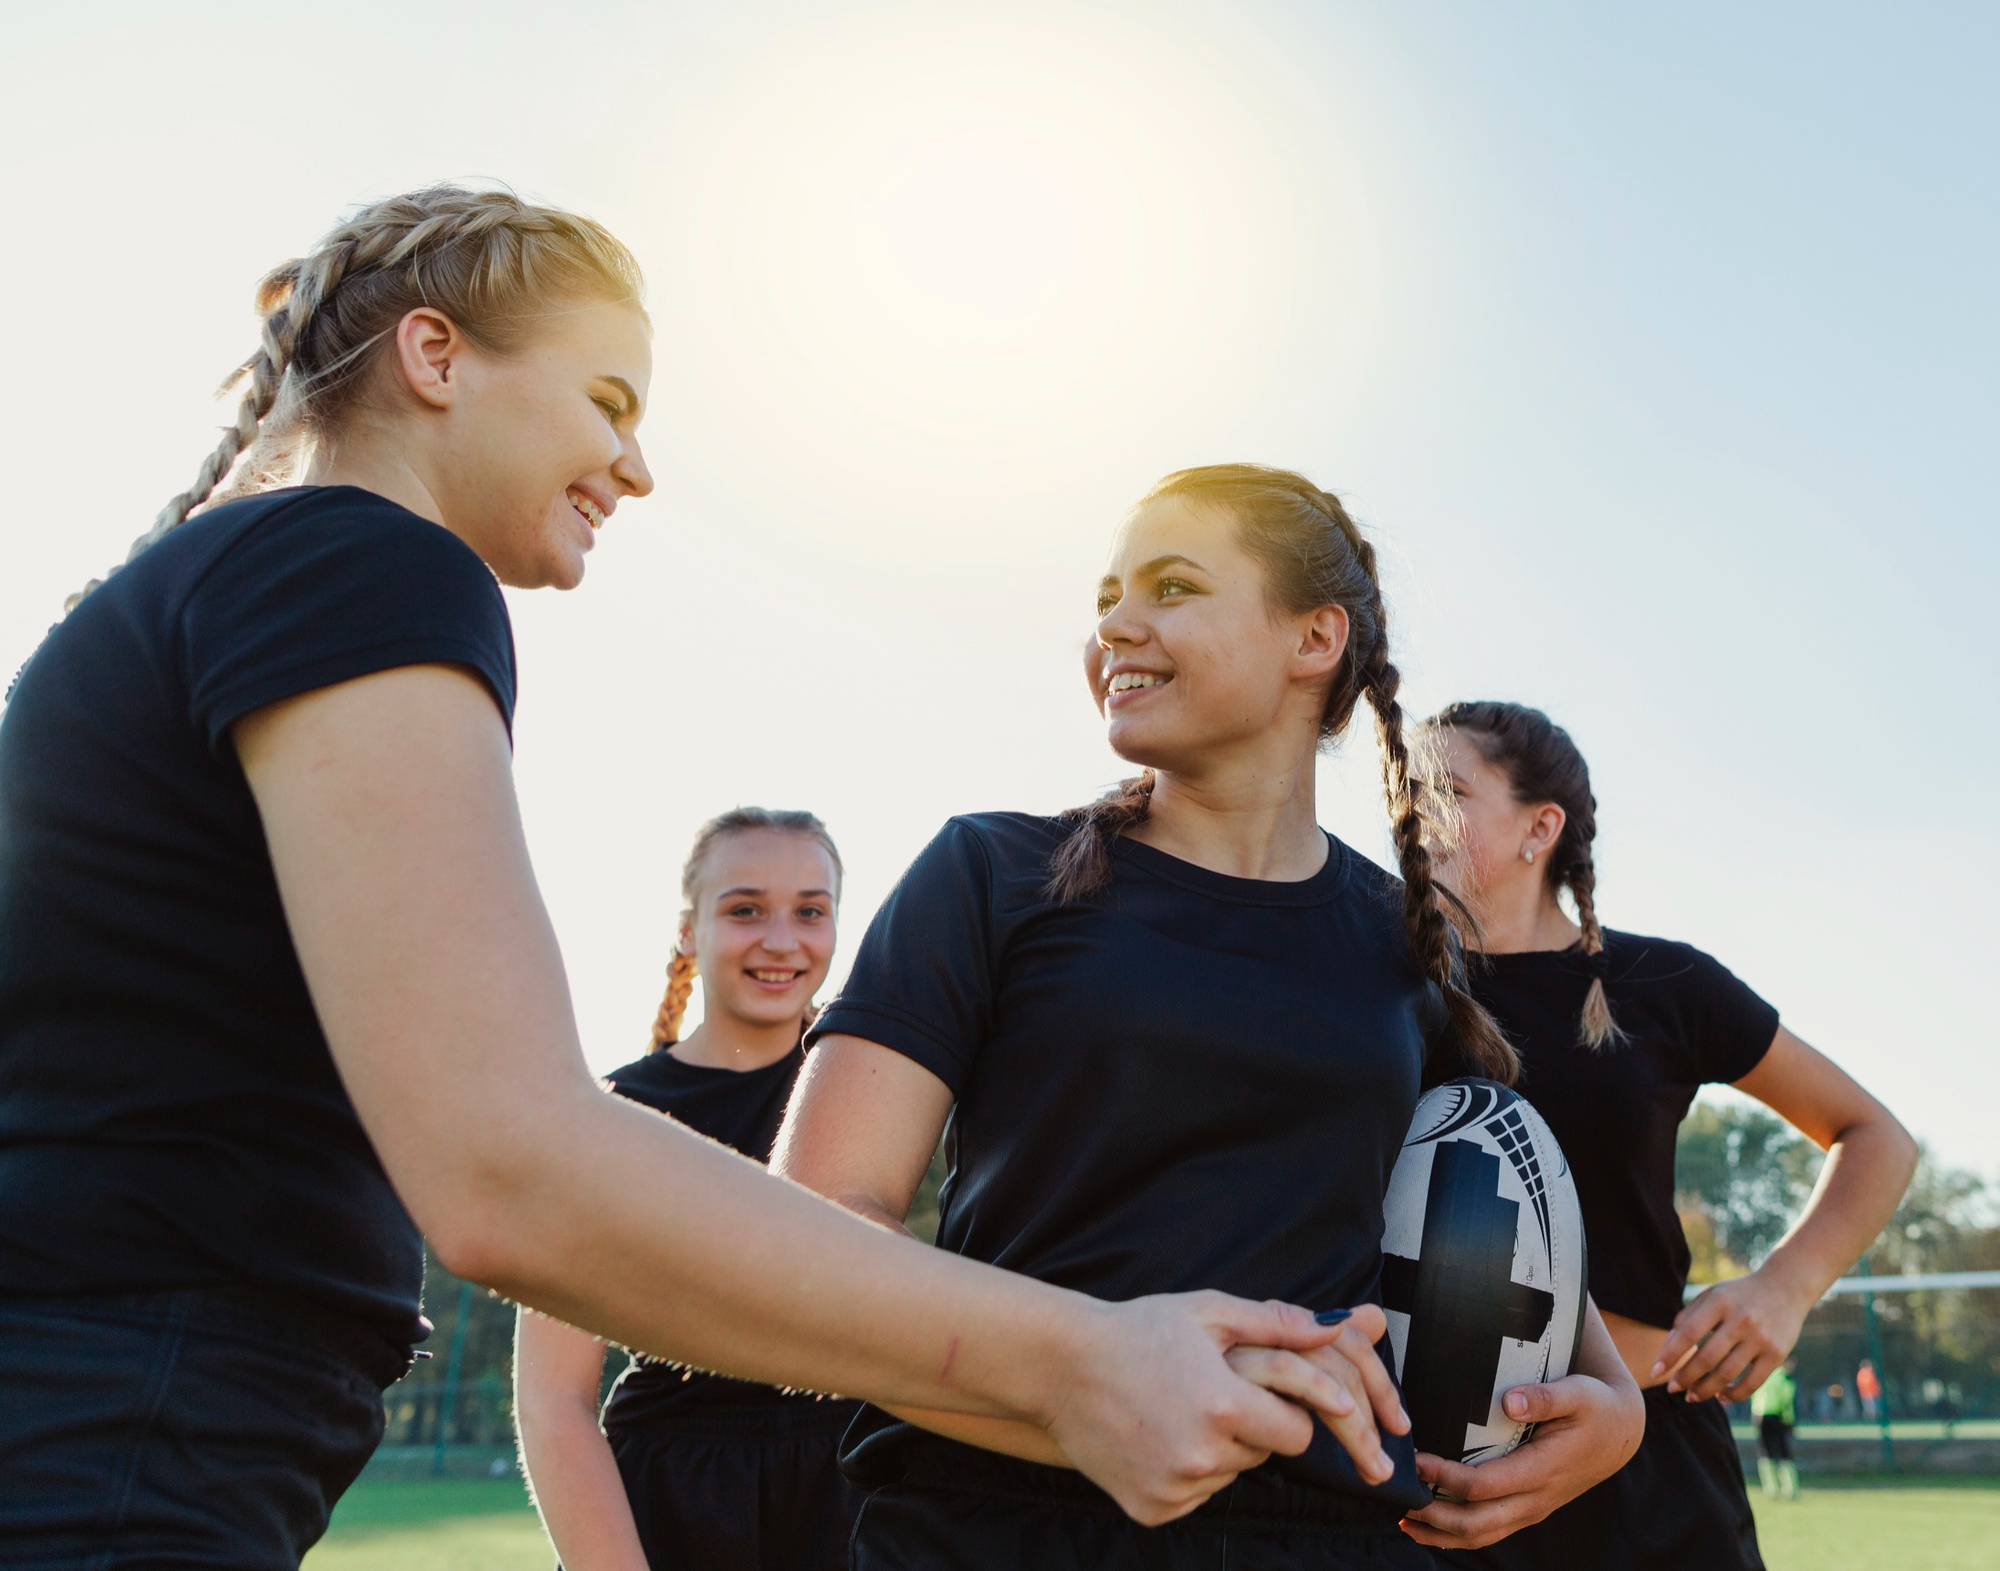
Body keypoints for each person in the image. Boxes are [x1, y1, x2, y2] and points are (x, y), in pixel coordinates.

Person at [0, 191, 1374, 1571]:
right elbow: (509, 1165)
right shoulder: (359, 556)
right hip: (115, 1416)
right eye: (607, 398)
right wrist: (1081, 1357)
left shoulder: (244, 571)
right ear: (435, 358)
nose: (635, 463)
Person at [773, 464, 1645, 1570]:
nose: (1112, 627)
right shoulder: (989, 874)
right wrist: (1071, 1373)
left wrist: (1613, 1408)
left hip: (1331, 1537)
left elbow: (1509, 1203)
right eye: (1104, 596)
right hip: (989, 1525)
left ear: (1313, 637)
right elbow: (806, 1236)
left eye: (1170, 586)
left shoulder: (1404, 943)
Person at [1421, 700, 1917, 1570]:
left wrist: (1784, 1287)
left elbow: (1875, 1133)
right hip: (1436, 1478)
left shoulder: (1667, 984)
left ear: (1541, 826)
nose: (1412, 809)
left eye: (1445, 788)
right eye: (1404, 787)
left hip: (1657, 1471)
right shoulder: (1380, 989)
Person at [516, 808, 864, 1571]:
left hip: (851, 1489)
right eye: (745, 909)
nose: (781, 939)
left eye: (811, 910)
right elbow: (553, 1397)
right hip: (674, 1498)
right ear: (687, 930)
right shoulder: (613, 1114)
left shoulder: (874, 1084)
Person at [1751, 1360, 1799, 1500]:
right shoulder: (1784, 1378)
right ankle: (1790, 1489)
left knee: (1765, 1453)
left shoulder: (1761, 1375)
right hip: (1777, 1417)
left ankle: (1770, 1489)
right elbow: (1786, 1401)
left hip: (1759, 1416)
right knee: (1784, 1453)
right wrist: (1789, 1421)